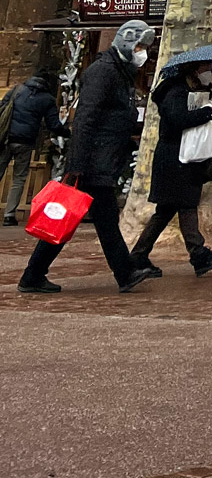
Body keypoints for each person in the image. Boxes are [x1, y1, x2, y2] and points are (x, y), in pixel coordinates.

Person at [17, 21, 154, 295]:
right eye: (139, 46)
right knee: (79, 218)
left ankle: (35, 275)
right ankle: (123, 272)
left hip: (100, 159)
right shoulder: (104, 72)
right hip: (91, 161)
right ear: (127, 43)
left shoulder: (119, 72)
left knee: (85, 219)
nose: (142, 52)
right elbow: (85, 120)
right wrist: (76, 166)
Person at [128, 61, 212, 278]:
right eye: (204, 69)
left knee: (166, 211)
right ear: (193, 70)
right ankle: (198, 253)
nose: (207, 73)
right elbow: (177, 120)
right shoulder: (175, 91)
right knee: (186, 203)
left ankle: (138, 255)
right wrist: (207, 112)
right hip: (175, 158)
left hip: (184, 156)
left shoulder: (193, 90)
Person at [0, 74, 68, 226]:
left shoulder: (17, 90)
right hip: (25, 142)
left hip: (6, 138)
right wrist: (67, 132)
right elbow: (53, 125)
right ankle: (9, 215)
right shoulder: (47, 99)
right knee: (19, 178)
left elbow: (2, 107)